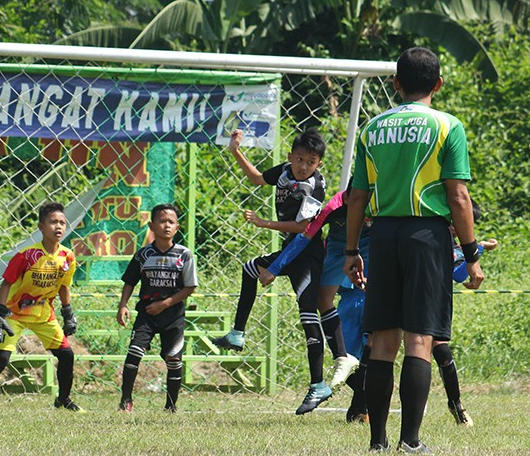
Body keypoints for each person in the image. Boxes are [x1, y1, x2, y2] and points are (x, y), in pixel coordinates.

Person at [344, 47, 485, 454]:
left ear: (396, 84)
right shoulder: (447, 126)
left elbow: (356, 197)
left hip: (383, 234)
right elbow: (458, 197)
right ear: (438, 84)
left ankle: (378, 442)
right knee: (420, 340)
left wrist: (352, 250)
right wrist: (471, 254)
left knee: (383, 341)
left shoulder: (373, 129)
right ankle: (411, 441)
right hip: (427, 236)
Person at [212, 128, 337, 415]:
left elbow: (303, 228)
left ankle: (319, 383)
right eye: (300, 159)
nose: (304, 166)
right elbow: (256, 179)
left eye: (311, 162)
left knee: (309, 317)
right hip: (290, 253)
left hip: (307, 254)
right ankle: (238, 334)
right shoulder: (284, 172)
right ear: (291, 156)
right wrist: (235, 151)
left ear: (318, 164)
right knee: (250, 269)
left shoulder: (315, 186)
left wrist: (263, 223)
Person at [260, 185, 368, 416]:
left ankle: (364, 397)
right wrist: (275, 267)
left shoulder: (378, 205)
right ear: (347, 197)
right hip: (340, 249)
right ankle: (344, 363)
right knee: (321, 299)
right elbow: (303, 237)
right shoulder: (333, 206)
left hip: (369, 249)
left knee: (375, 333)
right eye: (353, 200)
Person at [0, 202, 80, 411]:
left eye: (62, 223)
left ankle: (63, 400)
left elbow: (64, 286)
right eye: (52, 222)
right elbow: (7, 283)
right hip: (15, 313)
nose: (58, 227)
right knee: (1, 358)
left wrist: (68, 312)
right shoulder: (27, 255)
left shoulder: (67, 256)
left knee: (67, 355)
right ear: (41, 227)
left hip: (44, 314)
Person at [116, 204, 198, 413]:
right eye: (162, 221)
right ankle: (126, 400)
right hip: (147, 313)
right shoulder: (143, 255)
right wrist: (123, 305)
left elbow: (190, 287)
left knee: (173, 359)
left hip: (173, 315)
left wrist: (165, 304)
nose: (166, 225)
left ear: (177, 227)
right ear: (152, 225)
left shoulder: (184, 255)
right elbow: (130, 282)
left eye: (171, 222)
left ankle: (171, 406)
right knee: (134, 352)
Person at [435, 202, 498, 427]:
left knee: (441, 349)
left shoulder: (456, 246)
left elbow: (459, 274)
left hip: (436, 300)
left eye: (460, 224)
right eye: (453, 221)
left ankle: (456, 405)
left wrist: (477, 249)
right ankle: (360, 407)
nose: (455, 227)